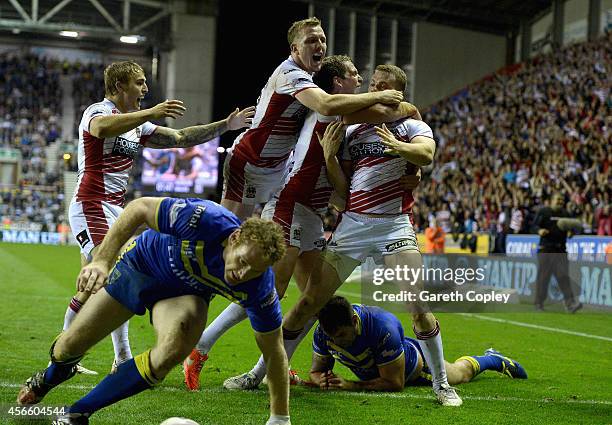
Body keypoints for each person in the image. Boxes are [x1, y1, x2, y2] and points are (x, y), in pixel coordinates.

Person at [224, 65, 461, 406]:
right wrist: (330, 156)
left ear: (398, 93)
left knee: (418, 305)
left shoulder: (413, 125)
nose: (374, 89)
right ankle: (259, 372)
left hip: (393, 226)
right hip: (352, 226)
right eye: (373, 84)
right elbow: (342, 191)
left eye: (382, 86)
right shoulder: (354, 131)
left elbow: (426, 154)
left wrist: (399, 148)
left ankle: (442, 385)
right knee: (308, 302)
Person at [184, 55, 419, 390]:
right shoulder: (332, 108)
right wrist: (402, 106)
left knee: (314, 300)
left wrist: (414, 169)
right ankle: (203, 349)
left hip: (311, 211)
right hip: (290, 204)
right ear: (338, 83)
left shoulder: (343, 114)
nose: (361, 81)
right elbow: (395, 112)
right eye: (355, 76)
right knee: (272, 290)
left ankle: (268, 367)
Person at [17, 197, 291, 425]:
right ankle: (51, 376)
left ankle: (76, 414)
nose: (241, 274)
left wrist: (280, 417)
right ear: (234, 238)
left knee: (177, 345)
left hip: (183, 294)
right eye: (242, 261)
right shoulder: (205, 219)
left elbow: (274, 349)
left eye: (253, 270)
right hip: (141, 266)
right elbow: (140, 208)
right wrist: (101, 261)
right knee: (68, 347)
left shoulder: (259, 288)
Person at [62, 60, 254, 373]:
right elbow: (100, 130)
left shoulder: (138, 126)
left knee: (90, 287)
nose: (145, 89)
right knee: (112, 273)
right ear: (120, 86)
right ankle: (116, 358)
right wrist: (151, 112)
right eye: (139, 83)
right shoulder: (98, 111)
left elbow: (180, 138)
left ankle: (75, 356)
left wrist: (225, 126)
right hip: (91, 203)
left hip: (116, 207)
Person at [221, 17, 403, 221]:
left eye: (322, 39)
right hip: (251, 161)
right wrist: (381, 96)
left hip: (278, 165)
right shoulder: (290, 74)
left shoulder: (309, 77)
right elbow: (326, 104)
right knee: (229, 229)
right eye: (311, 40)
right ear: (295, 49)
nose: (320, 45)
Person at [309, 296, 527, 392]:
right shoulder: (324, 332)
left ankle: (493, 359)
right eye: (331, 336)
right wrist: (322, 380)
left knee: (462, 373)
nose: (336, 341)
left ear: (355, 321)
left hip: (415, 369)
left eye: (341, 335)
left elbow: (395, 383)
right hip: (384, 364)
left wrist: (349, 385)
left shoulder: (382, 326)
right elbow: (316, 371)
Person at [532, 194, 583, 313]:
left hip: (560, 249)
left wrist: (571, 233)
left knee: (563, 276)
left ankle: (570, 304)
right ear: (551, 201)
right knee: (544, 277)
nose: (560, 201)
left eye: (561, 199)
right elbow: (533, 226)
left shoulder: (565, 214)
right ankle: (538, 303)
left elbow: (572, 228)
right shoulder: (544, 212)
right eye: (557, 199)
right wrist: (539, 230)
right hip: (546, 249)